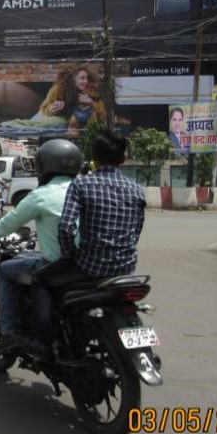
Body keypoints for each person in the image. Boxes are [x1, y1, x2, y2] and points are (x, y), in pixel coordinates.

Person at [30, 131, 147, 353]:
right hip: (125, 268)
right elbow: (136, 230)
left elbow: (66, 228)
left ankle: (43, 342)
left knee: (40, 281)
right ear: (122, 158)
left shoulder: (83, 185)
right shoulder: (136, 189)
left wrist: (70, 256)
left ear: (93, 158)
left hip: (89, 266)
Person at [0, 139, 83, 356]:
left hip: (58, 264)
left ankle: (10, 333)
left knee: (4, 271)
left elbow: (10, 222)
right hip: (89, 262)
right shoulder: (87, 189)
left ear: (43, 167)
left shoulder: (41, 195)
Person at [37, 66, 107, 133]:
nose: (86, 81)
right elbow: (43, 108)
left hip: (82, 125)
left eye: (87, 78)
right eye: (82, 78)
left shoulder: (90, 90)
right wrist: (52, 108)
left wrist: (90, 102)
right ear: (72, 79)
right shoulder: (58, 89)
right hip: (61, 121)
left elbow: (102, 113)